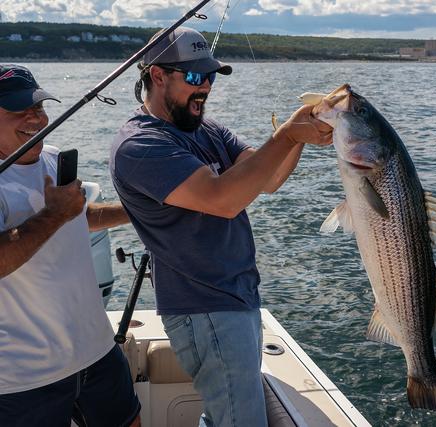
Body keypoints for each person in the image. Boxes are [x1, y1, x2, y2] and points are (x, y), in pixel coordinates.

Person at [110, 27, 332, 427]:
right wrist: (286, 134)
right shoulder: (140, 145)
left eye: (211, 76)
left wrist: (301, 133)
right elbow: (222, 200)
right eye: (194, 77)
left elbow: (268, 178)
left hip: (237, 295)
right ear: (157, 76)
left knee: (225, 417)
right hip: (204, 309)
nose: (206, 87)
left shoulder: (206, 130)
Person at [0, 64, 141, 427]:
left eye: (39, 106)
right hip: (24, 377)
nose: (35, 117)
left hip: (97, 352)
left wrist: (141, 211)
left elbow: (79, 216)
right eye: (19, 108)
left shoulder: (51, 158)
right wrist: (55, 214)